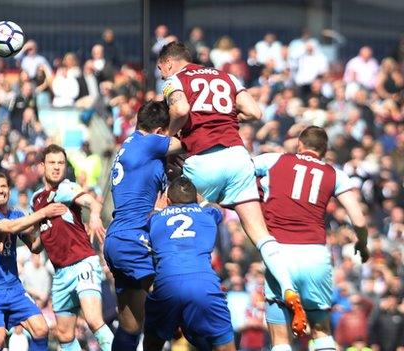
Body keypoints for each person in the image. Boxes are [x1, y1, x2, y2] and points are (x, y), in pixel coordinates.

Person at [157, 41, 308, 337]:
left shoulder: (176, 80)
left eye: (162, 70)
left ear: (170, 63)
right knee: (261, 235)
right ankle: (290, 288)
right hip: (238, 157)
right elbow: (254, 112)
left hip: (202, 159)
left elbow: (181, 107)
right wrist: (223, 117)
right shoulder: (227, 77)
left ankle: (172, 298)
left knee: (169, 218)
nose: (163, 75)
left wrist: (169, 134)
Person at [252, 126, 369, 351]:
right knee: (322, 332)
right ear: (324, 151)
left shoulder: (275, 160)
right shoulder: (335, 173)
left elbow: (242, 170)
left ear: (299, 144)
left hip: (278, 253)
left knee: (280, 339)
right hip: (314, 254)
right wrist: (362, 244)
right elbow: (360, 221)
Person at [104, 100, 183, 351]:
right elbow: (187, 142)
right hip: (133, 238)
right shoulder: (150, 142)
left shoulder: (131, 144)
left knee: (130, 326)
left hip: (116, 238)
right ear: (160, 131)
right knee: (176, 298)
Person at [30, 144, 113, 351]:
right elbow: (40, 242)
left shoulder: (67, 187)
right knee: (64, 336)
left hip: (82, 263)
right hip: (60, 274)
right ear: (42, 166)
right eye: (52, 163)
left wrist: (94, 215)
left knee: (94, 320)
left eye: (61, 163)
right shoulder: (37, 199)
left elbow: (92, 202)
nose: (57, 167)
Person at [0, 172, 67, 351]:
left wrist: (47, 228)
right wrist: (43, 212)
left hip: (14, 288)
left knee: (41, 329)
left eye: (4, 186)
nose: (0, 191)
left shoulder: (17, 214)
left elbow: (35, 247)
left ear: (9, 189)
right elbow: (9, 226)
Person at [144, 177, 235, 351]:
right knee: (225, 346)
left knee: (151, 344)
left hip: (167, 284)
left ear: (168, 201)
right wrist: (200, 200)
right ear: (195, 199)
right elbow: (217, 209)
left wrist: (158, 208)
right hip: (204, 282)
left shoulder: (156, 219)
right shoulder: (208, 214)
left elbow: (150, 219)